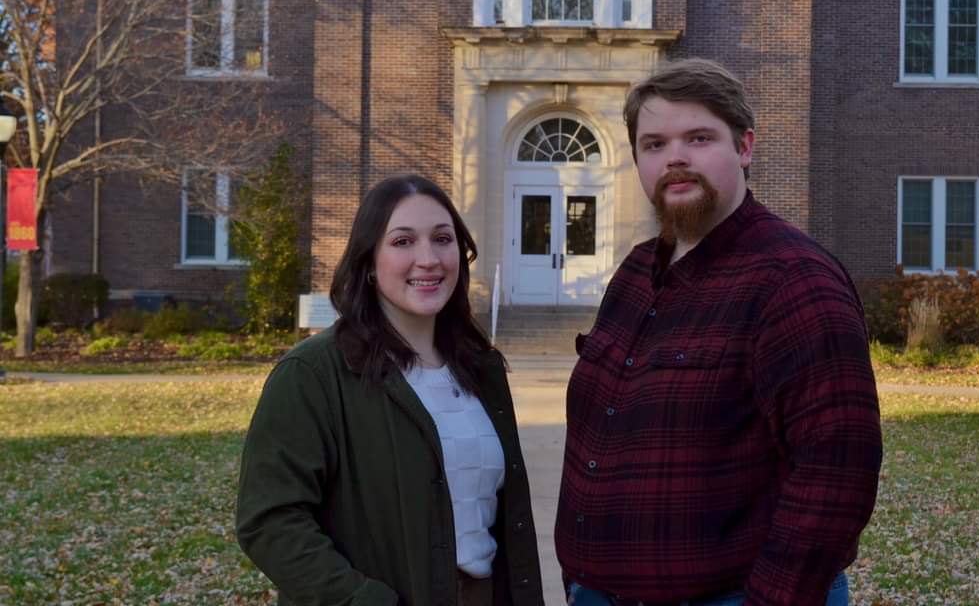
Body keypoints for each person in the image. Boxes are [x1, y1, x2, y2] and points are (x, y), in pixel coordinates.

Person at [555, 59, 883, 606]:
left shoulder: (794, 280)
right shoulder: (635, 274)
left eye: (699, 138)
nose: (675, 158)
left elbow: (837, 472)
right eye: (654, 144)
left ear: (745, 147)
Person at [237, 174, 545, 606]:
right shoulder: (312, 374)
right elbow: (269, 521)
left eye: (443, 239)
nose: (429, 259)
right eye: (403, 242)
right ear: (367, 262)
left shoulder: (482, 370)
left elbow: (498, 519)